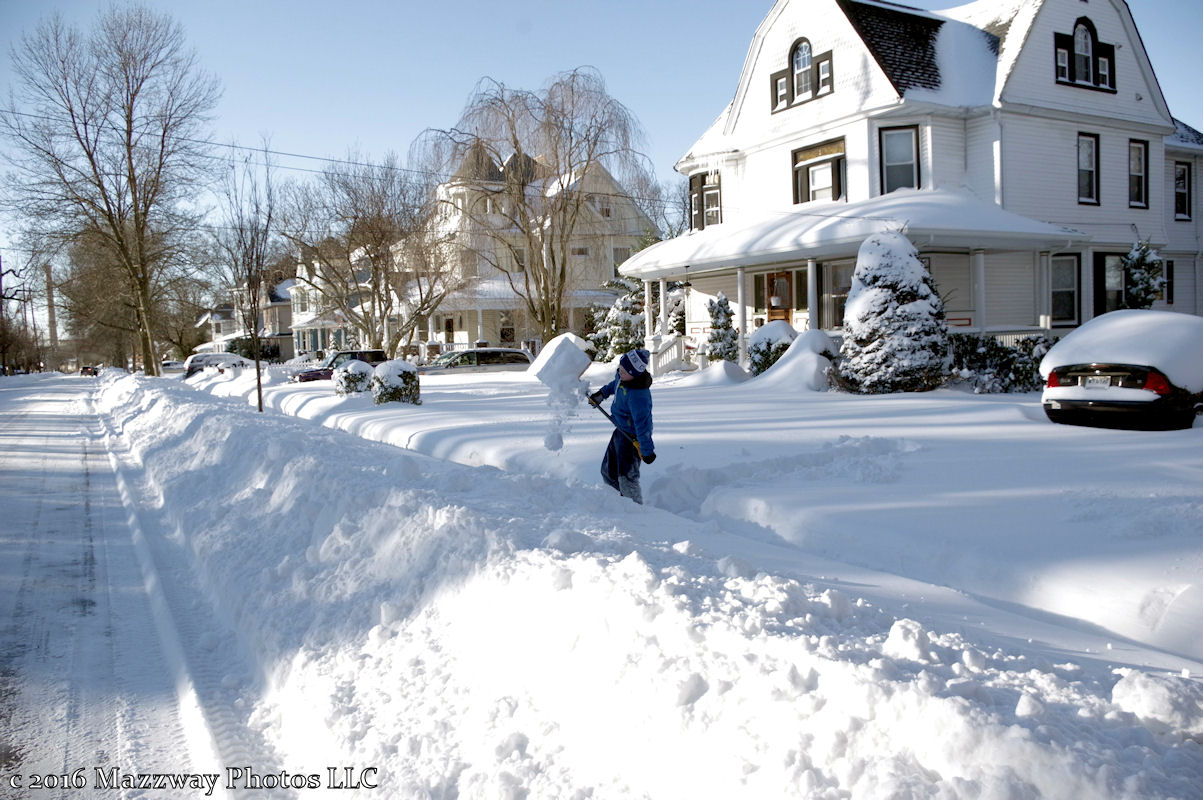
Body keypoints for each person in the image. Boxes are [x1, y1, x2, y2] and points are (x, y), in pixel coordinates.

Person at [589, 348, 656, 504]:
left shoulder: (638, 396)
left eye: (624, 371)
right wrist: (601, 394)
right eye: (620, 368)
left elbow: (643, 425)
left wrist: (646, 450)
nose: (620, 372)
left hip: (632, 438)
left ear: (635, 374)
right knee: (608, 471)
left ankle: (634, 509)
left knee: (626, 477)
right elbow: (614, 385)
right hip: (619, 431)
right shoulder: (623, 377)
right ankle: (616, 502)